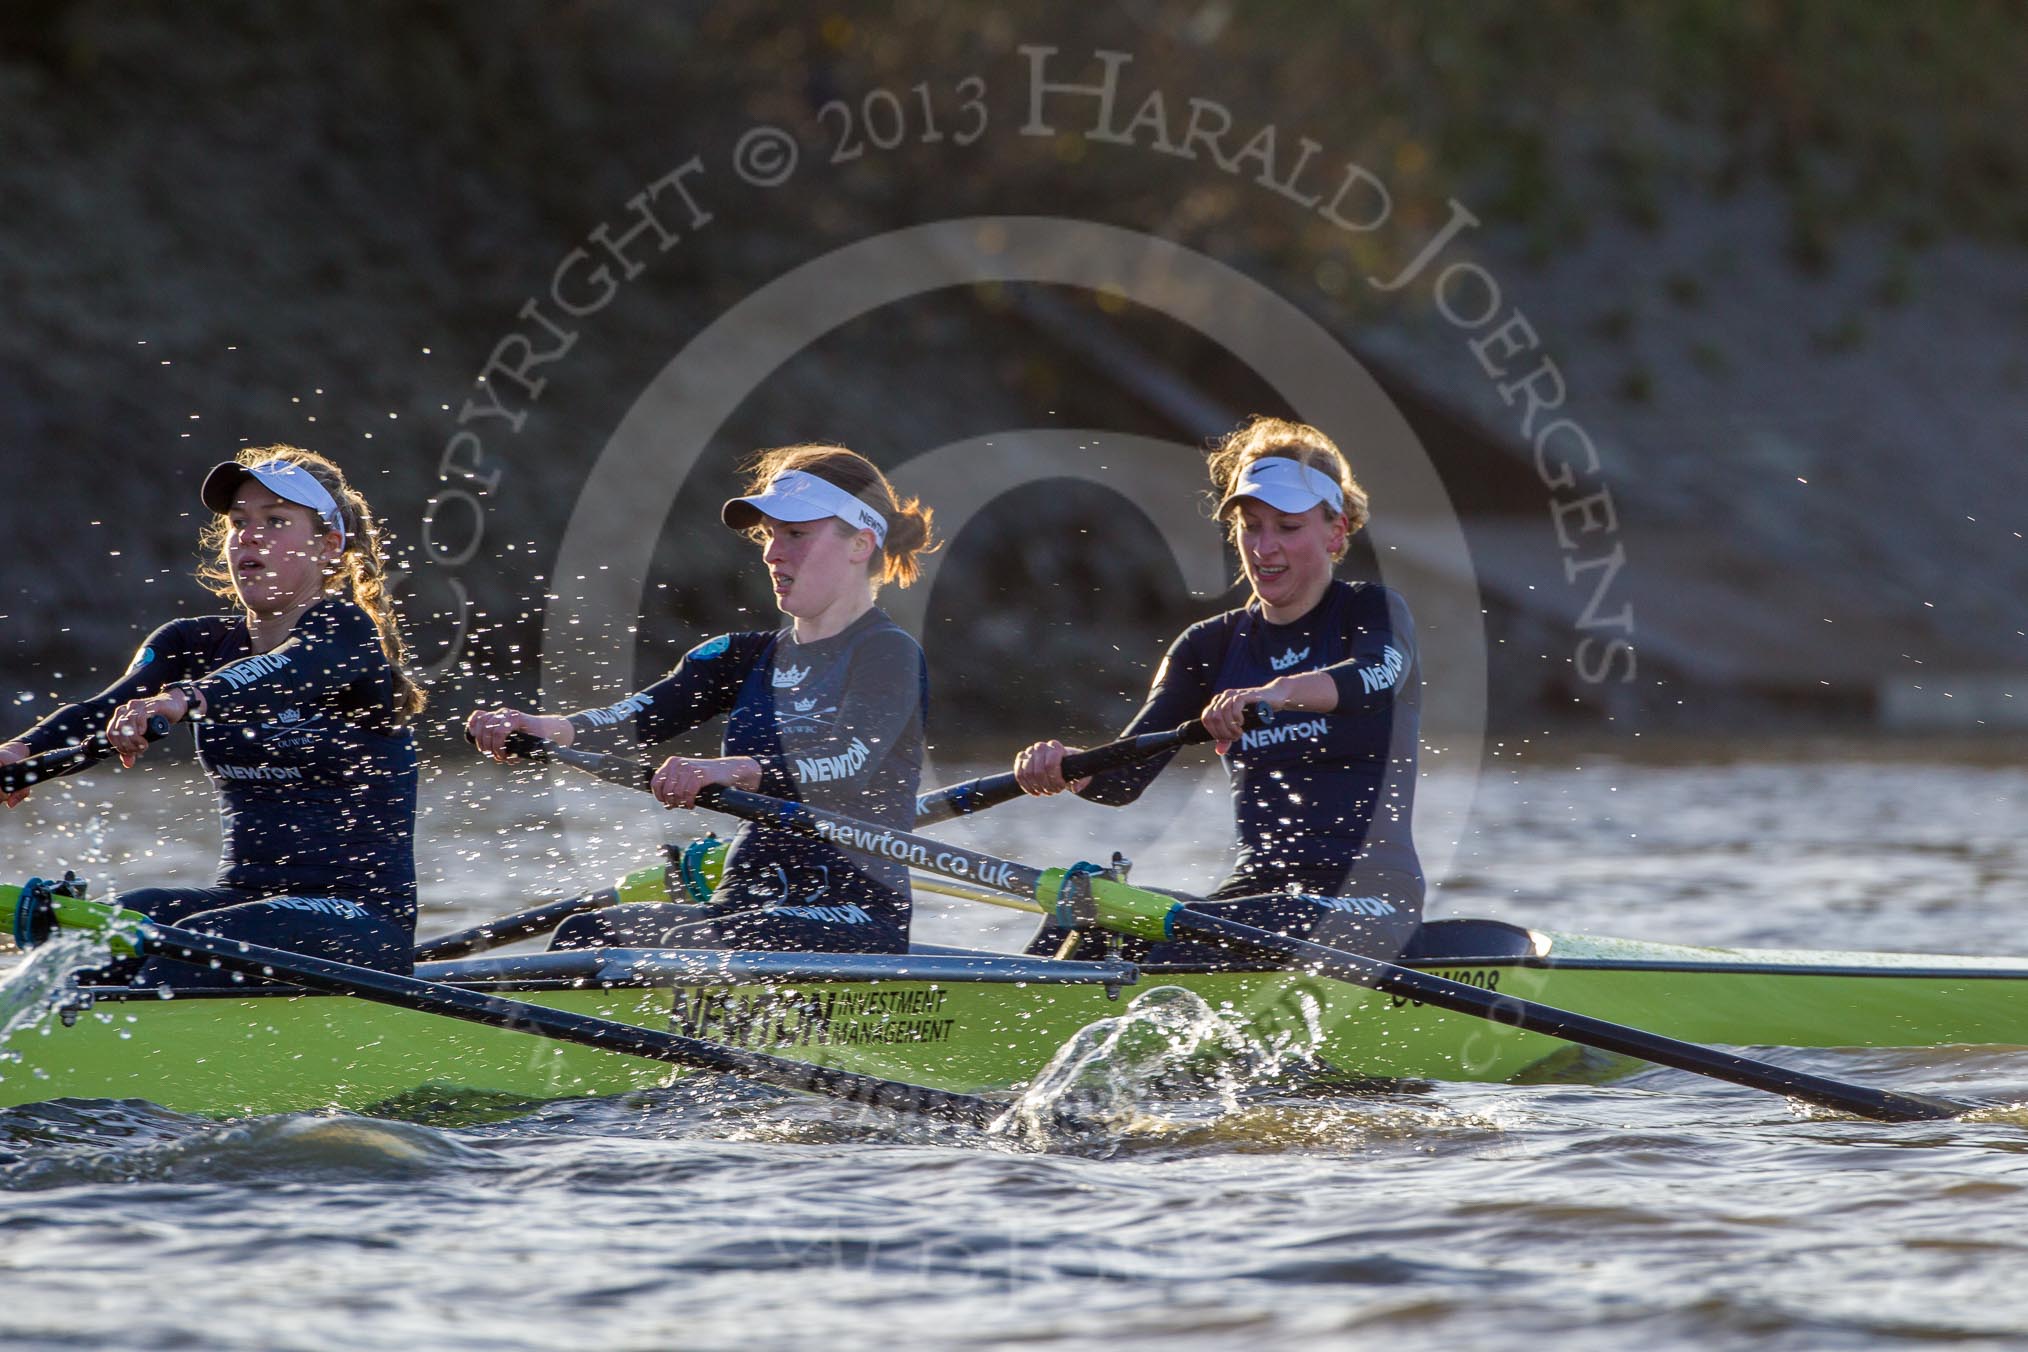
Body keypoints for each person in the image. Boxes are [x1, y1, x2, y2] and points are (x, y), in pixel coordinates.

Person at [467, 444, 935, 955]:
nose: (772, 553)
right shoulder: (742, 657)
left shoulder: (889, 655)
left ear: (859, 544)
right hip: (745, 905)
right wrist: (544, 729)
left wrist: (729, 770)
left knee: (698, 944)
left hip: (854, 910)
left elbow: (847, 763)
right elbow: (633, 718)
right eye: (770, 536)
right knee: (590, 935)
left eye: (796, 534)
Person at [0, 446, 424, 982]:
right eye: (239, 522)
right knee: (97, 934)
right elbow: (100, 710)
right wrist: (21, 752)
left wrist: (186, 700)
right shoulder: (189, 644)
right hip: (241, 902)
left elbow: (281, 670)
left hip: (359, 922)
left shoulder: (345, 634)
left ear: (330, 548)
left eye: (275, 521)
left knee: (185, 948)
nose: (249, 535)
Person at [1013, 415, 1422, 963]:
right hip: (1255, 896)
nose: (1264, 546)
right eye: (1251, 526)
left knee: (1213, 931)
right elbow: (1124, 780)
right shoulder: (1208, 646)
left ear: (1336, 531)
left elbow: (1375, 679)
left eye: (1287, 526)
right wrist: (1070, 767)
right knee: (1086, 913)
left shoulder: (1371, 612)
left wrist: (1276, 694)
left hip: (1369, 897)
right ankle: (995, 1023)